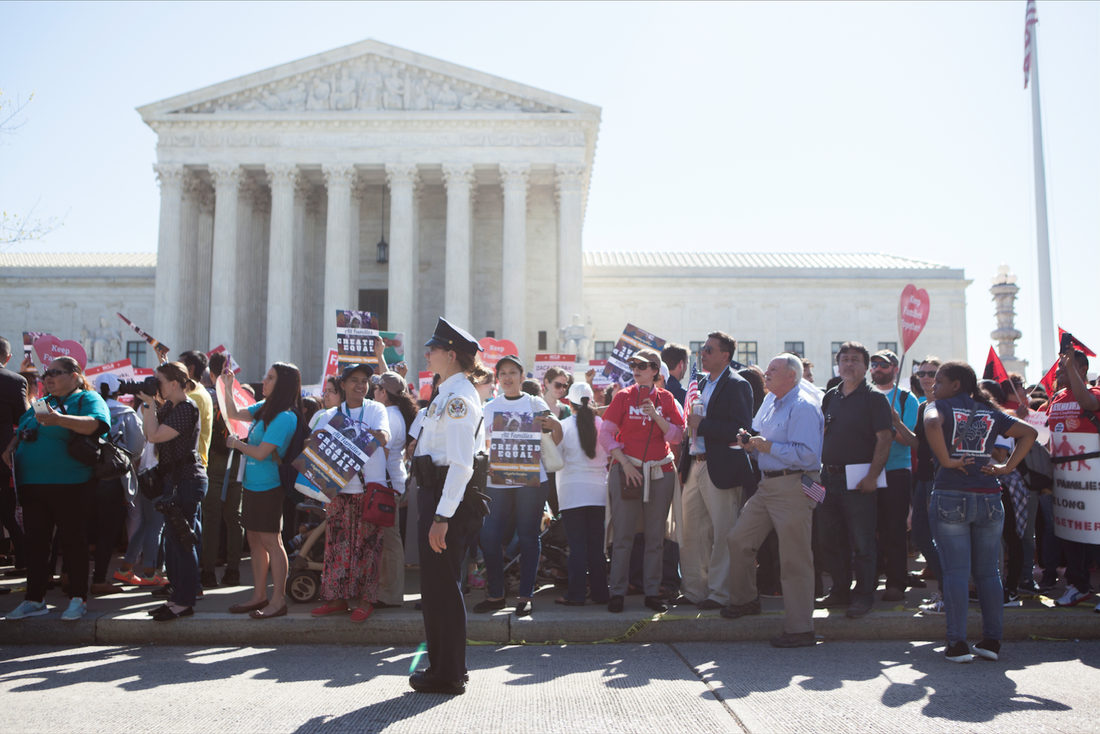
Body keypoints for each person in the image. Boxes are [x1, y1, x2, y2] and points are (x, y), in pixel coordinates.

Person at [924, 361, 1036, 662]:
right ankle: (991, 642)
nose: (934, 387)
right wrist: (1007, 467)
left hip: (951, 495)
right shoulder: (991, 412)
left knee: (956, 573)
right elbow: (1029, 433)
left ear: (956, 385)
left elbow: (931, 424)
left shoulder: (939, 407)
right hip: (989, 496)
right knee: (989, 573)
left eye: (939, 381)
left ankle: (957, 644)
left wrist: (947, 461)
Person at [409, 318, 487, 696]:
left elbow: (461, 464)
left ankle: (448, 674)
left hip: (445, 499)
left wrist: (442, 516)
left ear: (451, 355)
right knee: (437, 588)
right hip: (435, 493)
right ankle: (446, 665)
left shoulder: (457, 398)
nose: (427, 353)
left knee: (442, 589)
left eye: (434, 348)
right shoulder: (446, 392)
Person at [723, 354, 824, 648]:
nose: (766, 374)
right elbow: (765, 448)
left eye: (774, 370)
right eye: (767, 369)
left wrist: (766, 446)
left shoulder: (803, 406)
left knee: (794, 558)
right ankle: (744, 600)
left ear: (792, 376)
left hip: (794, 484)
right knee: (738, 539)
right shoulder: (771, 403)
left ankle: (801, 628)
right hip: (768, 484)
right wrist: (752, 446)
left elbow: (808, 455)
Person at [4, 356, 110, 621]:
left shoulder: (87, 398)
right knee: (36, 545)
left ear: (74, 375)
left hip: (71, 484)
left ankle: (77, 599)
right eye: (45, 374)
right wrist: (10, 448)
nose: (47, 377)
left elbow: (96, 425)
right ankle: (34, 599)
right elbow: (23, 429)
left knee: (73, 543)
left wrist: (61, 420)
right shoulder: (42, 402)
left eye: (55, 372)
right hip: (32, 485)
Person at [599, 347, 685, 614]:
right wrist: (625, 464)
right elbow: (606, 436)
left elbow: (677, 437)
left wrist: (656, 415)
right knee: (623, 536)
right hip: (627, 471)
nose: (636, 369)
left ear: (655, 371)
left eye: (642, 365)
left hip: (660, 472)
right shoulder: (623, 397)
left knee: (655, 537)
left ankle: (652, 592)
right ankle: (617, 593)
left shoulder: (667, 398)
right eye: (633, 364)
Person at [475, 354, 561, 617]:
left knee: (528, 536)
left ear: (523, 376)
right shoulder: (488, 408)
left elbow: (555, 439)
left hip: (531, 479)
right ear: (497, 379)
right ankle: (496, 594)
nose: (508, 377)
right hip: (498, 480)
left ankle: (526, 596)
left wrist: (555, 424)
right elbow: (481, 445)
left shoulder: (536, 403)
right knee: (488, 537)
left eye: (513, 372)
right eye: (502, 374)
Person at [218, 361, 302, 620]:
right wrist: (229, 386)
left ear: (283, 384)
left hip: (269, 487)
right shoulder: (266, 408)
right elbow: (233, 413)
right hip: (252, 485)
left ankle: (277, 601)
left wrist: (236, 444)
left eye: (270, 378)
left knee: (271, 542)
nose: (263, 382)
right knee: (254, 540)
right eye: (266, 377)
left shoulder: (285, 416)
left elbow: (261, 452)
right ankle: (259, 596)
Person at [815, 342, 893, 619]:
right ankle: (839, 591)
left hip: (859, 481)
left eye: (855, 360)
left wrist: (872, 476)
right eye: (844, 359)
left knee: (863, 544)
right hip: (827, 479)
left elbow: (885, 439)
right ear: (837, 364)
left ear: (865, 366)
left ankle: (863, 595)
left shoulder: (874, 398)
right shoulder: (830, 396)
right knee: (828, 539)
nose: (849, 364)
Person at [308, 363, 390, 622]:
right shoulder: (329, 413)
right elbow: (311, 446)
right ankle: (336, 599)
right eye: (354, 380)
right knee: (336, 548)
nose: (360, 385)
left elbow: (384, 437)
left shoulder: (376, 408)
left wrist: (352, 433)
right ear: (342, 385)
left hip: (370, 490)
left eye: (364, 380)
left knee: (369, 549)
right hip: (337, 489)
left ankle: (366, 601)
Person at [679, 332, 755, 609]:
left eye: (709, 350)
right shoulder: (699, 384)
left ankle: (720, 593)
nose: (703, 354)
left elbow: (740, 430)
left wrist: (702, 423)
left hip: (720, 466)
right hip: (694, 464)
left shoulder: (737, 385)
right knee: (690, 533)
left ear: (725, 355)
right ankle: (694, 590)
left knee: (723, 532)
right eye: (702, 349)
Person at [135, 362, 208, 621]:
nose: (157, 386)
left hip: (186, 481)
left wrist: (150, 404)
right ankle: (176, 597)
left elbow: (154, 436)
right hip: (175, 481)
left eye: (160, 381)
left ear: (174, 383)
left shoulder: (186, 408)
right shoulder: (171, 407)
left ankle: (185, 601)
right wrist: (148, 404)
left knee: (182, 543)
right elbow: (149, 432)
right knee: (174, 544)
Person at [1047, 348, 1100, 609]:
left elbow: (1089, 405)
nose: (1059, 372)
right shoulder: (1056, 398)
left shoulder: (1095, 395)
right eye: (1058, 368)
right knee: (1072, 533)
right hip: (1066, 481)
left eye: (1066, 368)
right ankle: (1078, 586)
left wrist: (1072, 372)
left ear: (1082, 371)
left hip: (1093, 480)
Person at [868, 349, 920, 602]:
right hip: (865, 471)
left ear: (895, 370)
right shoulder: (863, 396)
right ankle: (868, 580)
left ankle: (896, 582)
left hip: (895, 471)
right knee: (866, 529)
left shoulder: (907, 399)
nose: (878, 368)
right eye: (874, 364)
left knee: (895, 529)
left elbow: (911, 441)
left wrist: (892, 423)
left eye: (884, 365)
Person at [554, 381, 610, 606]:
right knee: (596, 546)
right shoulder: (602, 423)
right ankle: (601, 594)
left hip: (571, 490)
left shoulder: (563, 425)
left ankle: (576, 595)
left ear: (569, 402)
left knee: (576, 546)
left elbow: (555, 459)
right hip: (598, 490)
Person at [88, 374, 145, 595]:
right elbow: (137, 446)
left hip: (84, 477)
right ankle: (99, 580)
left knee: (81, 530)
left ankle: (68, 576)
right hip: (112, 478)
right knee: (107, 531)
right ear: (117, 391)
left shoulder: (86, 409)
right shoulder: (126, 413)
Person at [372, 370, 419, 608]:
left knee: (390, 541)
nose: (373, 391)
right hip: (391, 483)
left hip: (386, 485)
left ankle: (390, 595)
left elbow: (383, 453)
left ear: (383, 393)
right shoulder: (394, 412)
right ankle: (385, 591)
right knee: (387, 540)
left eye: (377, 388)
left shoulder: (388, 416)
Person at [200, 350, 246, 588]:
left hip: (216, 459)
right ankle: (233, 570)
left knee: (211, 517)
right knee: (234, 518)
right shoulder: (243, 396)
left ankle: (208, 571)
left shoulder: (205, 396)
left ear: (211, 372)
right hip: (238, 458)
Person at [911, 357, 946, 614]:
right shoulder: (923, 406)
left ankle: (949, 593)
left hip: (941, 478)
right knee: (920, 534)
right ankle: (947, 589)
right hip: (923, 478)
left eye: (931, 373)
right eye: (921, 372)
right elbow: (918, 444)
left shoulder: (947, 406)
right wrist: (896, 423)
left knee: (943, 537)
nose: (925, 377)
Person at [0, 337, 29, 575]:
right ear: (8, 358)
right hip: (4, 459)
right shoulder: (14, 381)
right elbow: (25, 419)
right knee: (7, 512)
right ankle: (22, 558)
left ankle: (21, 557)